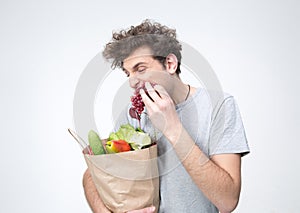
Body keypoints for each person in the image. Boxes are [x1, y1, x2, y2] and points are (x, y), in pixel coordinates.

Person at [83, 19, 250, 213]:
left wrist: (173, 128)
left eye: (140, 69)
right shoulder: (134, 114)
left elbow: (227, 201)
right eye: (128, 73)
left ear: (170, 64)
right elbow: (93, 175)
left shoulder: (219, 106)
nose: (132, 81)